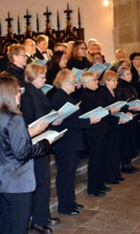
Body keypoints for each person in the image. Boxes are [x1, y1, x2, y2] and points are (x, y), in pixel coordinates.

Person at [0, 74, 51, 234]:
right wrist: (45, 144)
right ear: (9, 94)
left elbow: (7, 144)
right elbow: (22, 153)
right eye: (17, 91)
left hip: (2, 180)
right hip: (18, 182)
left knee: (5, 227)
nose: (20, 94)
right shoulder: (15, 118)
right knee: (18, 228)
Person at [47, 69, 95, 215]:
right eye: (73, 81)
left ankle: (71, 202)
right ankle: (65, 206)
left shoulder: (65, 96)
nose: (76, 84)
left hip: (70, 141)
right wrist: (89, 120)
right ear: (64, 82)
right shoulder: (59, 97)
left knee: (70, 174)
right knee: (65, 175)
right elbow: (71, 122)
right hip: (65, 143)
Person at [20, 64, 61, 233]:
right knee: (39, 182)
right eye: (41, 77)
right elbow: (29, 120)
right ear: (31, 77)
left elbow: (45, 111)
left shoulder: (38, 92)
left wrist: (54, 117)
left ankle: (44, 215)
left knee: (44, 182)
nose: (45, 80)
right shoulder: (28, 95)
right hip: (35, 142)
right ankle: (37, 220)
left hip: (42, 140)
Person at [79, 72, 109, 197]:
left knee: (101, 159)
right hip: (93, 133)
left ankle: (100, 183)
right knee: (95, 160)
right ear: (87, 83)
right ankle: (93, 187)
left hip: (100, 130)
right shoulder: (86, 96)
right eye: (94, 80)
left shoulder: (95, 93)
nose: (97, 82)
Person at [98, 70, 126, 184]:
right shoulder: (102, 92)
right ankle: (110, 176)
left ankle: (116, 174)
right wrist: (112, 111)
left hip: (115, 124)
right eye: (113, 80)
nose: (116, 83)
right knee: (110, 152)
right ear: (107, 81)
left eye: (116, 80)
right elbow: (103, 110)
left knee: (116, 151)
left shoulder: (113, 92)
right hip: (108, 126)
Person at [115, 66, 140, 173]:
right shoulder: (120, 86)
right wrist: (130, 107)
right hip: (124, 117)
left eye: (130, 73)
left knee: (131, 141)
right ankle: (125, 165)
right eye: (127, 74)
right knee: (125, 142)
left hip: (133, 116)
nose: (130, 76)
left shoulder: (131, 85)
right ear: (121, 76)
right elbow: (119, 104)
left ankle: (130, 163)